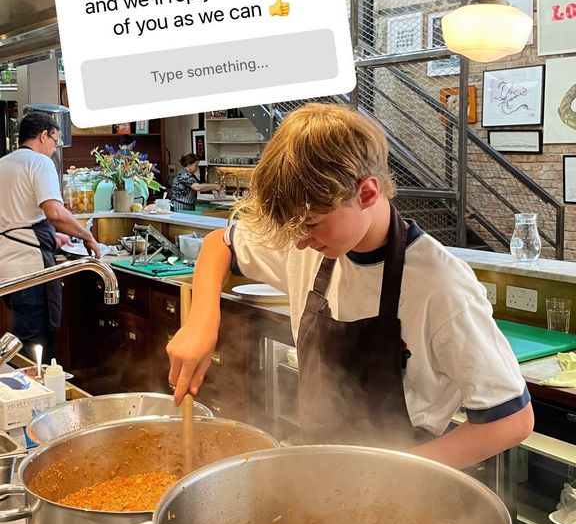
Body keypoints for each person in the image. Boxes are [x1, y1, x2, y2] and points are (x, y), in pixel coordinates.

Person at [167, 104, 534, 471]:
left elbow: (512, 421)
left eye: (311, 225)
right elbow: (221, 243)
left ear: (368, 193)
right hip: (320, 465)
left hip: (404, 486)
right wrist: (202, 319)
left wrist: (388, 475)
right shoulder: (311, 242)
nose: (297, 242)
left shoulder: (441, 285)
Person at [0, 111, 101, 357]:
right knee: (33, 345)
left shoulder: (3, 163)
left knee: (21, 341)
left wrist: (54, 238)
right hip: (29, 269)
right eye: (55, 141)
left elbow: (15, 217)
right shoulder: (39, 162)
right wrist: (86, 235)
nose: (55, 149)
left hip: (7, 267)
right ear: (44, 135)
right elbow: (54, 212)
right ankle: (31, 393)